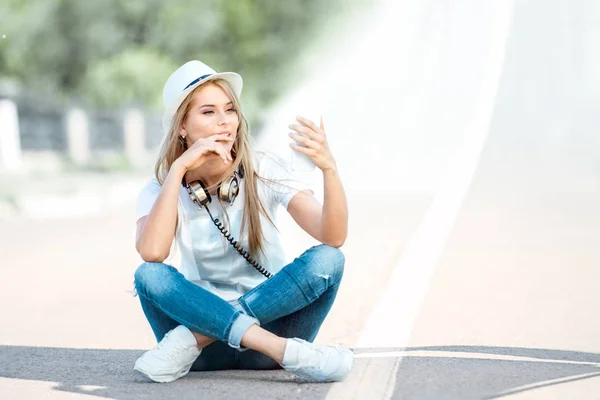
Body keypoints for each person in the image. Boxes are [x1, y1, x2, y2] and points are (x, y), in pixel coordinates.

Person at [133, 60, 352, 383]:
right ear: (182, 127)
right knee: (149, 275)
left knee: (328, 259)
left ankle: (212, 334)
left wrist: (329, 169)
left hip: (225, 330)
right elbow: (152, 253)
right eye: (208, 112)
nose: (225, 122)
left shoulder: (264, 169)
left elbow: (332, 236)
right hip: (210, 355)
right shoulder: (161, 187)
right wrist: (178, 171)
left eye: (230, 110)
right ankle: (288, 352)